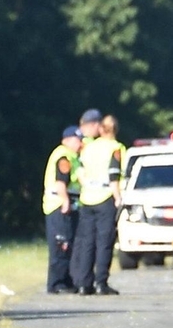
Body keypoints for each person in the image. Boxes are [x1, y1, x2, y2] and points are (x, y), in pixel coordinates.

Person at [70, 113, 125, 295]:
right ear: (115, 129)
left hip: (87, 198)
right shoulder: (116, 148)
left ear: (101, 129)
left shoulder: (89, 147)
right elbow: (114, 175)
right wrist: (118, 198)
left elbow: (80, 170)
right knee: (104, 242)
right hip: (106, 198)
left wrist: (86, 185)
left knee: (87, 242)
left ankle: (84, 284)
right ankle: (101, 283)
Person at [43, 126, 84, 293]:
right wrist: (65, 202)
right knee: (61, 245)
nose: (80, 143)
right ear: (66, 140)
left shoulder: (72, 156)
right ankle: (56, 283)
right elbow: (61, 182)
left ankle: (66, 281)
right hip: (59, 206)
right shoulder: (63, 157)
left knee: (68, 245)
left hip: (65, 206)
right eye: (77, 140)